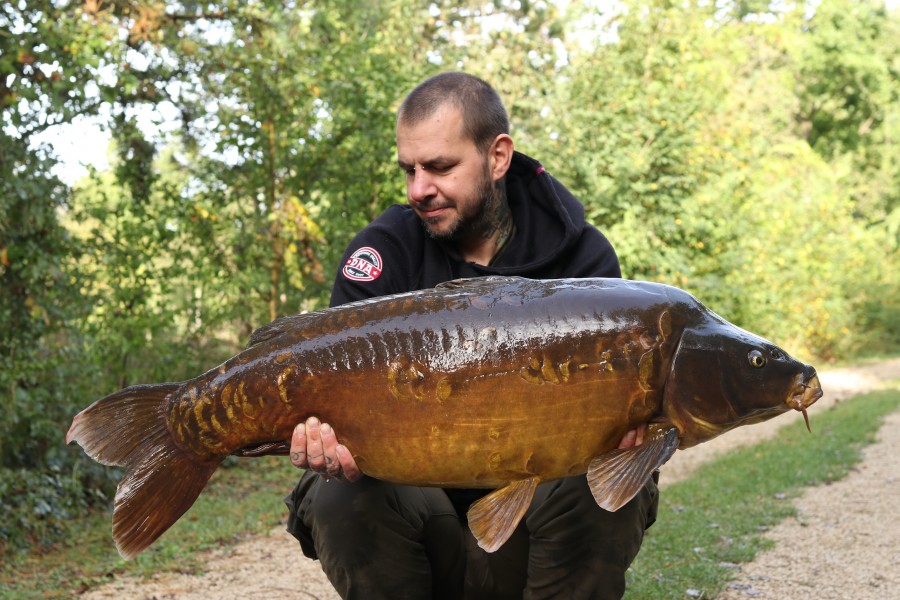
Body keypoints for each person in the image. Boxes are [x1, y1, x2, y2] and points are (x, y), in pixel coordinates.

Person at [284, 72, 658, 600]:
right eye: (409, 170)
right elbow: (326, 387)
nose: (419, 189)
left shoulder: (583, 259)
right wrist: (322, 437)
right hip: (417, 530)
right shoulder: (383, 253)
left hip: (533, 535)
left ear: (498, 157)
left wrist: (627, 437)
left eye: (439, 167)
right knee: (337, 493)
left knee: (601, 486)